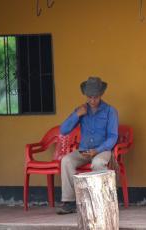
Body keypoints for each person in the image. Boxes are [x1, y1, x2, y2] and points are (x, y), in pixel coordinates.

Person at [56, 76, 119, 215]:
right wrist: (76, 115)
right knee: (66, 161)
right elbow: (63, 130)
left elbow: (113, 137)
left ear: (101, 95)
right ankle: (70, 202)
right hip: (84, 151)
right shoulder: (81, 110)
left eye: (95, 97)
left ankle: (98, 201)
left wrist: (97, 150)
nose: (92, 100)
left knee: (97, 163)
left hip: (102, 150)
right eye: (89, 97)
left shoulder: (110, 111)